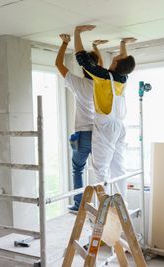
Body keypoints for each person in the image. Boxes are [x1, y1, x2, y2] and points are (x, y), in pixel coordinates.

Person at [74, 25, 136, 198]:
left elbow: (82, 59)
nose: (115, 58)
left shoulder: (103, 77)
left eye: (115, 58)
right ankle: (121, 203)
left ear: (115, 63)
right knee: (119, 167)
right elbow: (124, 60)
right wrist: (123, 43)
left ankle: (105, 207)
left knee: (101, 169)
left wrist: (77, 32)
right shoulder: (123, 77)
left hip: (106, 126)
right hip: (119, 126)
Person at [55, 33, 107, 213]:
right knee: (101, 171)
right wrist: (95, 48)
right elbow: (100, 66)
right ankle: (103, 205)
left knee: (78, 168)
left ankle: (79, 205)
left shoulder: (78, 83)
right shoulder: (102, 84)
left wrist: (64, 43)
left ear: (83, 69)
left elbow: (58, 65)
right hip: (100, 134)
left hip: (83, 135)